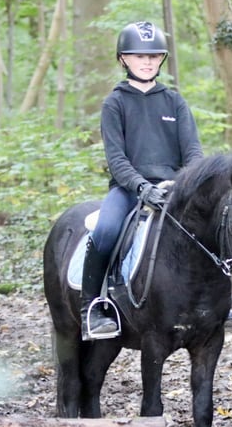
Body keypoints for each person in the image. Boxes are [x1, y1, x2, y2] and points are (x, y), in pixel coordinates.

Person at [81, 20, 204, 340]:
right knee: (106, 230)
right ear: (123, 59)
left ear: (161, 59)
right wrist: (142, 188)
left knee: (212, 226)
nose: (147, 62)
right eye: (138, 56)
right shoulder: (115, 103)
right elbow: (117, 160)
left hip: (174, 190)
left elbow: (193, 153)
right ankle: (93, 307)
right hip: (129, 190)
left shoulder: (175, 102)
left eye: (153, 56)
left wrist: (186, 185)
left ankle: (218, 304)